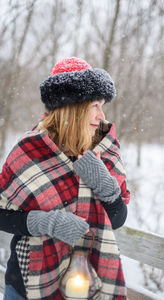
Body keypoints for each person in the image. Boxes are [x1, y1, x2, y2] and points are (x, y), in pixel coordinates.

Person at [0, 57, 130, 300]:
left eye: (103, 105)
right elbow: (2, 215)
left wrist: (104, 182)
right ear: (74, 106)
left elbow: (117, 218)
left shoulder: (106, 149)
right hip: (26, 283)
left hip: (85, 284)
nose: (102, 115)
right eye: (95, 106)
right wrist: (47, 223)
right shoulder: (30, 149)